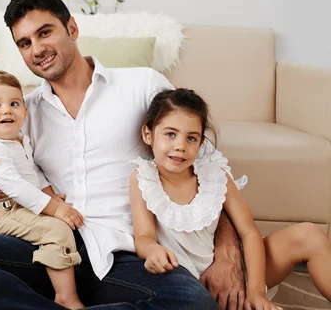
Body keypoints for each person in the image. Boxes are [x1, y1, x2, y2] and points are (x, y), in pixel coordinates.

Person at [0, 0, 243, 309]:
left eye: (45, 32)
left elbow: (209, 169)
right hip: (41, 248)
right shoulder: (20, 113)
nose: (37, 49)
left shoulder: (142, 85)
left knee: (193, 304)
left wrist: (227, 252)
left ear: (72, 28)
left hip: (122, 254)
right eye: (24, 42)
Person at [128, 88, 331, 309]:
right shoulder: (143, 178)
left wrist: (256, 292)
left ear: (201, 142)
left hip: (235, 276)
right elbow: (144, 237)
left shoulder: (214, 175)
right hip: (187, 289)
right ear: (148, 134)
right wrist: (152, 251)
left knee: (309, 235)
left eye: (191, 138)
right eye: (170, 134)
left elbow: (249, 232)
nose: (180, 146)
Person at [0, 70, 84, 309]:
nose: (6, 110)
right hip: (1, 212)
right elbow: (15, 185)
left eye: (14, 103)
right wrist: (54, 208)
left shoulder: (21, 139)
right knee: (57, 230)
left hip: (22, 206)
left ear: (25, 111)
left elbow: (34, 174)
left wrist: (52, 197)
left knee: (68, 221)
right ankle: (67, 298)